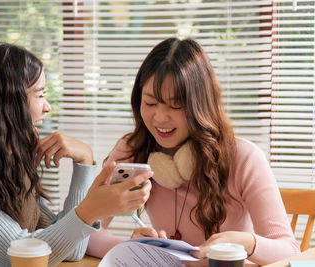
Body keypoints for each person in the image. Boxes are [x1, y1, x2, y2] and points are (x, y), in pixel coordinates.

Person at [0, 42, 152, 267]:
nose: (47, 106)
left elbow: (70, 251)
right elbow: (30, 258)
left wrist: (85, 160)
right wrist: (91, 209)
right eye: (39, 94)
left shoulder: (0, 166)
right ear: (4, 104)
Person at [87, 38, 300, 265]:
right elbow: (86, 233)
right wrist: (135, 248)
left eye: (175, 105)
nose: (160, 118)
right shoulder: (133, 150)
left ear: (200, 105)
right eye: (150, 103)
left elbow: (289, 250)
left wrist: (247, 243)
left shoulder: (244, 158)